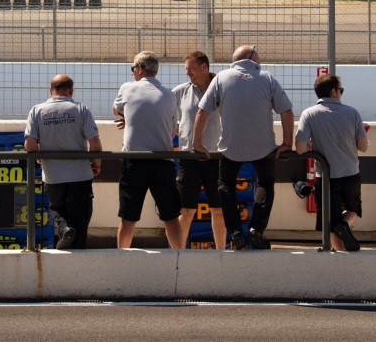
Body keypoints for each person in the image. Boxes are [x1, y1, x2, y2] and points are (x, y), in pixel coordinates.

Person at [193, 45, 294, 250]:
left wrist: (197, 143)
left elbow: (202, 112)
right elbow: (287, 112)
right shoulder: (267, 78)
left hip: (230, 147)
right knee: (265, 183)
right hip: (264, 147)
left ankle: (236, 232)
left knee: (226, 185)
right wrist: (287, 143)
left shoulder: (221, 78)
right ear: (251, 57)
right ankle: (256, 229)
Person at [112, 51, 183, 249]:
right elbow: (172, 131)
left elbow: (115, 108)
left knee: (128, 217)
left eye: (133, 69)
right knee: (171, 216)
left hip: (135, 161)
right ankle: (180, 257)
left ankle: (122, 258)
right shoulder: (169, 95)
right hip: (163, 161)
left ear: (140, 69)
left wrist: (131, 117)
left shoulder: (127, 88)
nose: (132, 73)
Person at [25, 74, 102, 250]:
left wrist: (38, 154)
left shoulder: (37, 110)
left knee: (58, 208)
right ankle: (77, 252)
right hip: (80, 173)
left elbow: (29, 144)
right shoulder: (81, 109)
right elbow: (95, 144)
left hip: (53, 174)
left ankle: (64, 229)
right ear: (71, 90)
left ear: (51, 90)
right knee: (81, 215)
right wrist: (96, 164)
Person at [295, 74, 368, 251]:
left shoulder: (309, 114)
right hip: (350, 173)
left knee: (329, 219)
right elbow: (363, 147)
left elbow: (299, 148)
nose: (341, 93)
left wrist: (313, 143)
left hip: (326, 175)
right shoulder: (352, 112)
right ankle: (344, 226)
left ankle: (338, 251)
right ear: (333, 92)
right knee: (352, 211)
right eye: (340, 90)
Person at [172, 51, 226, 249]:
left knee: (218, 210)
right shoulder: (180, 91)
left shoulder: (223, 90)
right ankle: (177, 255)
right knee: (186, 211)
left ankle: (221, 254)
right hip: (189, 157)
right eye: (186, 69)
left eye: (191, 69)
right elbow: (163, 111)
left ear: (205, 67)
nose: (188, 73)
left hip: (217, 157)